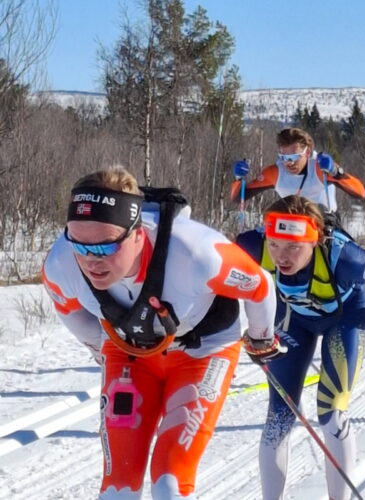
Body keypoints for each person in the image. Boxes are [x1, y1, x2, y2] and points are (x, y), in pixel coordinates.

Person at [42, 166, 277, 500]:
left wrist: (261, 337)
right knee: (118, 487)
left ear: (137, 234)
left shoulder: (196, 254)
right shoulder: (61, 263)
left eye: (106, 247)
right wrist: (101, 349)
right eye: (79, 244)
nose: (91, 260)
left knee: (170, 482)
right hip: (130, 353)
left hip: (203, 351)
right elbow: (70, 312)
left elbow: (260, 286)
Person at [236, 194, 365, 500]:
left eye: (293, 247)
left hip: (346, 317)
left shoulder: (343, 257)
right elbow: (205, 264)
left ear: (314, 241)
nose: (281, 256)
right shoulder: (255, 245)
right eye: (275, 244)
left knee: (332, 409)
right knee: (278, 416)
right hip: (294, 319)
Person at [231, 127, 365, 213]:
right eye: (284, 157)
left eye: (295, 156)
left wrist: (336, 172)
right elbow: (239, 197)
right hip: (292, 225)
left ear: (307, 153)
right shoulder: (275, 173)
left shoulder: (320, 169)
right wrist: (238, 178)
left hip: (324, 223)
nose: (289, 162)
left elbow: (360, 192)